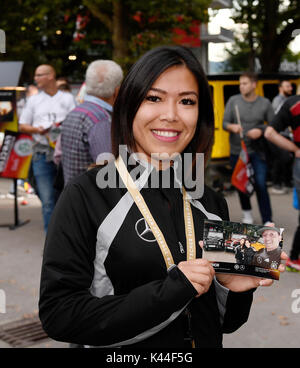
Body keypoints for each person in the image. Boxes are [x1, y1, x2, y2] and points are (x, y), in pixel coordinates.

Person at [39, 46, 286, 348]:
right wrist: (173, 290)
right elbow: (59, 315)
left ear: (201, 114)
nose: (170, 115)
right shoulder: (86, 193)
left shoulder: (210, 200)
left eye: (186, 101)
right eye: (153, 98)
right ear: (129, 105)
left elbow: (224, 323)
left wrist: (235, 289)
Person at [19, 64, 76, 232]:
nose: (35, 79)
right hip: (42, 152)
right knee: (47, 200)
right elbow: (22, 125)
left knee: (67, 198)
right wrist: (38, 129)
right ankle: (52, 242)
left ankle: (68, 238)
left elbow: (75, 121)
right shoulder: (33, 100)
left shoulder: (67, 98)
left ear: (51, 76)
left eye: (39, 75)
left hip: (65, 154)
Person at [223, 72, 275, 225]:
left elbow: (273, 125)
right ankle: (247, 214)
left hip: (257, 151)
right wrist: (232, 127)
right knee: (241, 184)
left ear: (254, 84)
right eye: (240, 83)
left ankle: (267, 219)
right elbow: (225, 123)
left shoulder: (265, 103)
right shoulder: (233, 101)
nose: (241, 86)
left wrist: (261, 130)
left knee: (260, 183)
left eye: (244, 83)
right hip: (237, 151)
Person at [60, 60, 123, 185]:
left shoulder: (76, 111)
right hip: (91, 198)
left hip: (74, 194)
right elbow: (108, 173)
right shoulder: (100, 119)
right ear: (116, 90)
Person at [264, 85, 300, 272]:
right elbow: (269, 133)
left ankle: (294, 257)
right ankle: (294, 257)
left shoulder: (292, 103)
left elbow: (269, 132)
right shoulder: (293, 104)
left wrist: (295, 149)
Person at [268, 80, 294, 194]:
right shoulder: (278, 101)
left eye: (290, 86)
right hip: (279, 135)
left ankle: (286, 182)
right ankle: (276, 184)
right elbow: (279, 119)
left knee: (287, 159)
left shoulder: (286, 100)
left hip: (286, 134)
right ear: (280, 88)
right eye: (287, 86)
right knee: (280, 159)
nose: (290, 88)